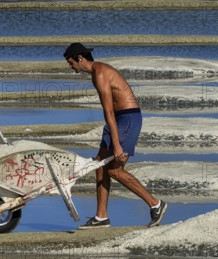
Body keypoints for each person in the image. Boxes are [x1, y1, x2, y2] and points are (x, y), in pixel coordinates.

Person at [63, 43, 167, 229]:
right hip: (118, 120)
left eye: (71, 63)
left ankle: (156, 204)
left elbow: (108, 110)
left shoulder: (101, 73)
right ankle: (101, 217)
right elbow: (110, 113)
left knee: (115, 170)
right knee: (100, 166)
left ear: (80, 58)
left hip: (127, 119)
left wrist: (117, 144)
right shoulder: (96, 73)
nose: (70, 67)